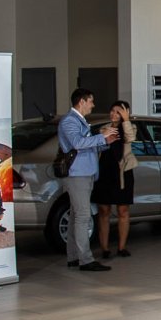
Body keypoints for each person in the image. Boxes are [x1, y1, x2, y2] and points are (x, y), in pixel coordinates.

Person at [58, 88, 117, 271]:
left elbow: (88, 146)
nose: (93, 105)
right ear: (81, 102)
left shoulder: (80, 120)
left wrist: (105, 141)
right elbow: (77, 143)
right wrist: (102, 137)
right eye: (91, 101)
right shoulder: (69, 121)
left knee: (76, 216)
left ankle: (73, 256)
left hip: (86, 173)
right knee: (83, 216)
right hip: (78, 174)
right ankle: (86, 260)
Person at [92, 101, 138, 261]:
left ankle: (122, 247)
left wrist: (126, 120)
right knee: (103, 210)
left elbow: (130, 138)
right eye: (112, 111)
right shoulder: (103, 128)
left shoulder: (130, 127)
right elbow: (98, 146)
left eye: (118, 111)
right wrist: (104, 135)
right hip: (105, 172)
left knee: (123, 210)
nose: (114, 114)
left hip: (123, 173)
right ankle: (104, 248)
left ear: (126, 113)